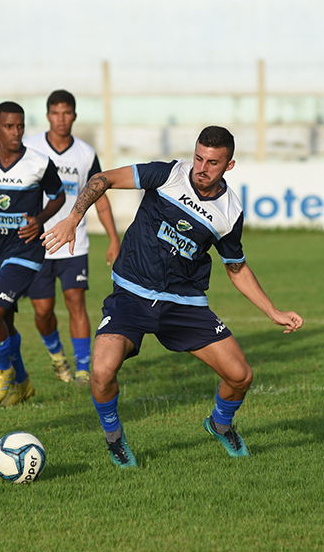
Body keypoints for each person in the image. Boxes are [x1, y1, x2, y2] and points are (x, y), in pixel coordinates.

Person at [42, 126, 303, 468]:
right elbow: (102, 179)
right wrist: (73, 219)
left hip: (184, 304)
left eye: (212, 162)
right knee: (102, 372)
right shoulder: (168, 174)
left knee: (241, 376)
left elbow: (236, 268)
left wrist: (273, 311)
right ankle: (114, 439)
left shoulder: (230, 213)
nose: (201, 167)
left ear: (229, 165)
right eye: (198, 157)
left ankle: (220, 424)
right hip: (131, 295)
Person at [0, 101, 65, 407]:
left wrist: (40, 220)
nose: (15, 132)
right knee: (4, 321)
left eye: (20, 126)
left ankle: (3, 372)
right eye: (8, 126)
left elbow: (58, 196)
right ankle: (23, 383)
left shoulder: (39, 163)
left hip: (25, 251)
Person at [24, 90, 120, 386]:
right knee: (42, 310)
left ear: (74, 116)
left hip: (73, 241)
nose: (61, 118)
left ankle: (82, 368)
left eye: (66, 113)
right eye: (55, 113)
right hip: (37, 242)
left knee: (75, 301)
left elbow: (100, 197)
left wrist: (114, 239)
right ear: (48, 115)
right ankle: (57, 357)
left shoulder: (86, 154)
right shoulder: (31, 147)